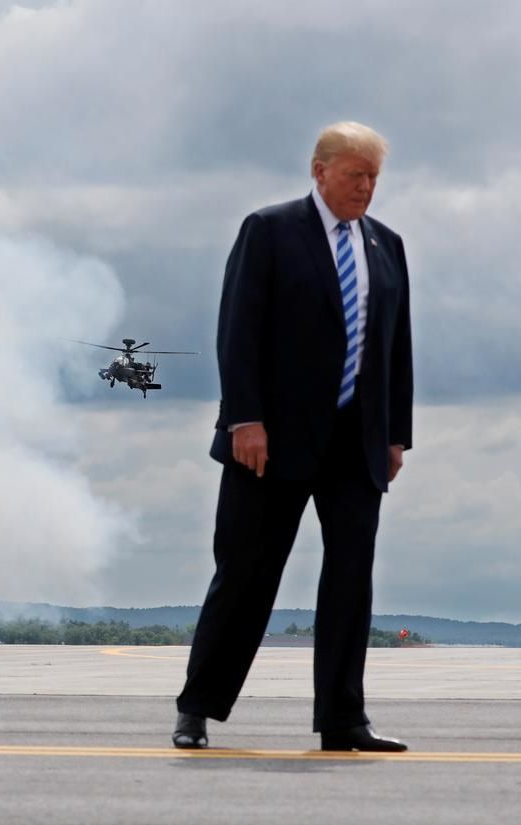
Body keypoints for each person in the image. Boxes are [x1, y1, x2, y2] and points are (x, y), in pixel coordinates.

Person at [173, 122, 413, 752]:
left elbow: (396, 347)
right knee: (245, 576)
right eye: (355, 174)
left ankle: (343, 720)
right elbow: (238, 329)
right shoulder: (270, 230)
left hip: (356, 443)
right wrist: (243, 419)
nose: (365, 187)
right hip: (271, 441)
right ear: (319, 170)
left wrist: (395, 437)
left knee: (350, 582)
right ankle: (197, 709)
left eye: (373, 177)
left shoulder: (386, 244)